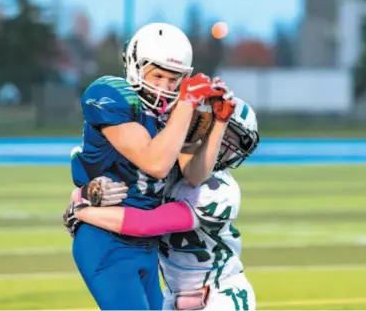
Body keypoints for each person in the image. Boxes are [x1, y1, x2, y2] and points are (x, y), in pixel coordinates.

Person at [68, 22, 236, 310]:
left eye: (174, 80)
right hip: (107, 239)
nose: (165, 87)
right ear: (136, 66)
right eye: (158, 75)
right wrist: (186, 104)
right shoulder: (112, 95)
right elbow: (156, 163)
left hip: (146, 245)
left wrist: (219, 123)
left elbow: (195, 175)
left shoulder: (176, 111)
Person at [65, 97, 260, 310]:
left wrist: (82, 212)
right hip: (172, 298)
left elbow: (146, 224)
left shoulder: (220, 189)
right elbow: (122, 197)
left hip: (220, 296)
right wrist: (87, 193)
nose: (227, 147)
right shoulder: (166, 170)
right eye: (223, 134)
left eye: (233, 141)